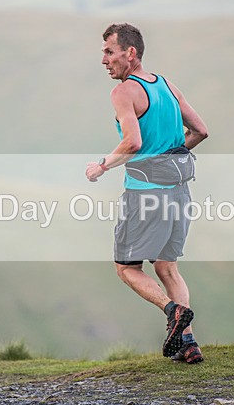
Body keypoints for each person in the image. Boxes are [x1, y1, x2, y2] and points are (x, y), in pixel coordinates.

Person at [86, 23, 209, 363]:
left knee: (126, 267)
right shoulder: (166, 85)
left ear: (131, 53)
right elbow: (200, 131)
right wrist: (169, 160)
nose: (104, 60)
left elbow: (133, 142)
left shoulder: (124, 92)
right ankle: (188, 343)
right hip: (180, 191)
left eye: (109, 52)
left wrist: (102, 166)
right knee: (167, 268)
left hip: (146, 194)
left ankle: (173, 311)